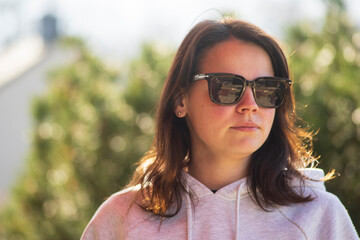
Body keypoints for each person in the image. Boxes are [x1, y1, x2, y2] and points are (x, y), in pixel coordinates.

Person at [81, 18, 359, 240]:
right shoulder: (123, 218)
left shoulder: (318, 216)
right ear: (181, 100)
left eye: (266, 89)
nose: (250, 105)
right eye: (227, 87)